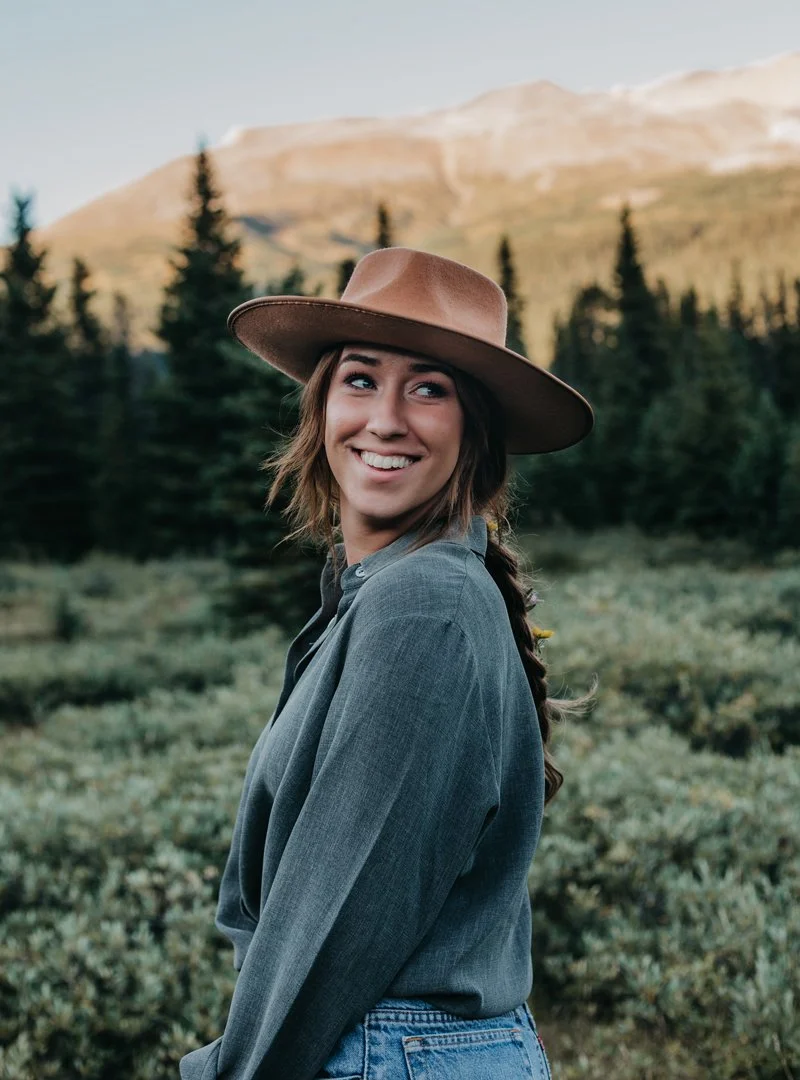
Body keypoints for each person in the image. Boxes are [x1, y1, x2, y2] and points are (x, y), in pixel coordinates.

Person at [179, 246, 595, 1080]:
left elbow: (335, 917)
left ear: (473, 430)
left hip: (386, 1053)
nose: (387, 418)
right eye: (361, 379)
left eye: (430, 389)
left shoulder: (422, 604)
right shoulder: (393, 589)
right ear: (320, 407)